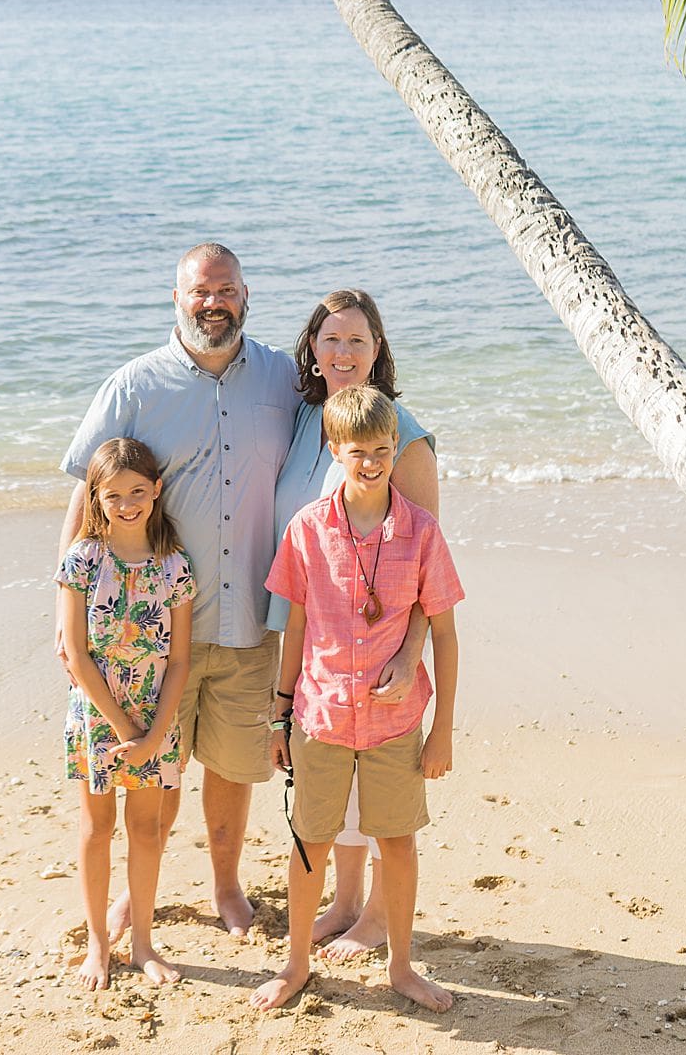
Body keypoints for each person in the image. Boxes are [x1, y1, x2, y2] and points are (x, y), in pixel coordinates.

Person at [58, 242, 299, 937]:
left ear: (246, 295)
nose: (212, 302)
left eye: (225, 290)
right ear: (176, 299)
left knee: (233, 765)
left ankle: (226, 887)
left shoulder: (282, 377)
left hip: (250, 615)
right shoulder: (134, 385)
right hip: (153, 631)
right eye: (199, 292)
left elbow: (344, 427)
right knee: (153, 770)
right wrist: (62, 610)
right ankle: (139, 894)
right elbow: (86, 494)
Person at [252, 384, 463, 1014]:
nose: (369, 462)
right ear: (333, 450)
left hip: (396, 724)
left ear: (395, 448)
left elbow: (445, 636)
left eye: (380, 449)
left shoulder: (421, 533)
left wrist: (443, 729)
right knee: (309, 840)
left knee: (395, 841)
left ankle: (401, 966)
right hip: (319, 716)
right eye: (355, 451)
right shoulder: (306, 531)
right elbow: (294, 629)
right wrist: (280, 714)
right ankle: (294, 966)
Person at [268, 287, 438, 956]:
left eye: (357, 340)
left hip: (383, 650)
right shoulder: (310, 419)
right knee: (328, 792)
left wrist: (411, 651)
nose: (342, 351)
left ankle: (373, 915)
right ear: (312, 347)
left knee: (382, 802)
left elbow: (424, 564)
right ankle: (342, 900)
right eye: (330, 338)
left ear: (377, 350)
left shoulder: (405, 434)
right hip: (316, 647)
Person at [56, 437, 196, 990]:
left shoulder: (175, 566)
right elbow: (76, 654)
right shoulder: (82, 561)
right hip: (100, 716)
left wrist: (153, 734)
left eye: (138, 491)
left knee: (147, 827)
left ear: (156, 490)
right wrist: (124, 729)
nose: (128, 502)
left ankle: (142, 944)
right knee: (97, 827)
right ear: (96, 496)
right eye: (114, 494)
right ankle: (98, 944)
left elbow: (181, 662)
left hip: (156, 715)